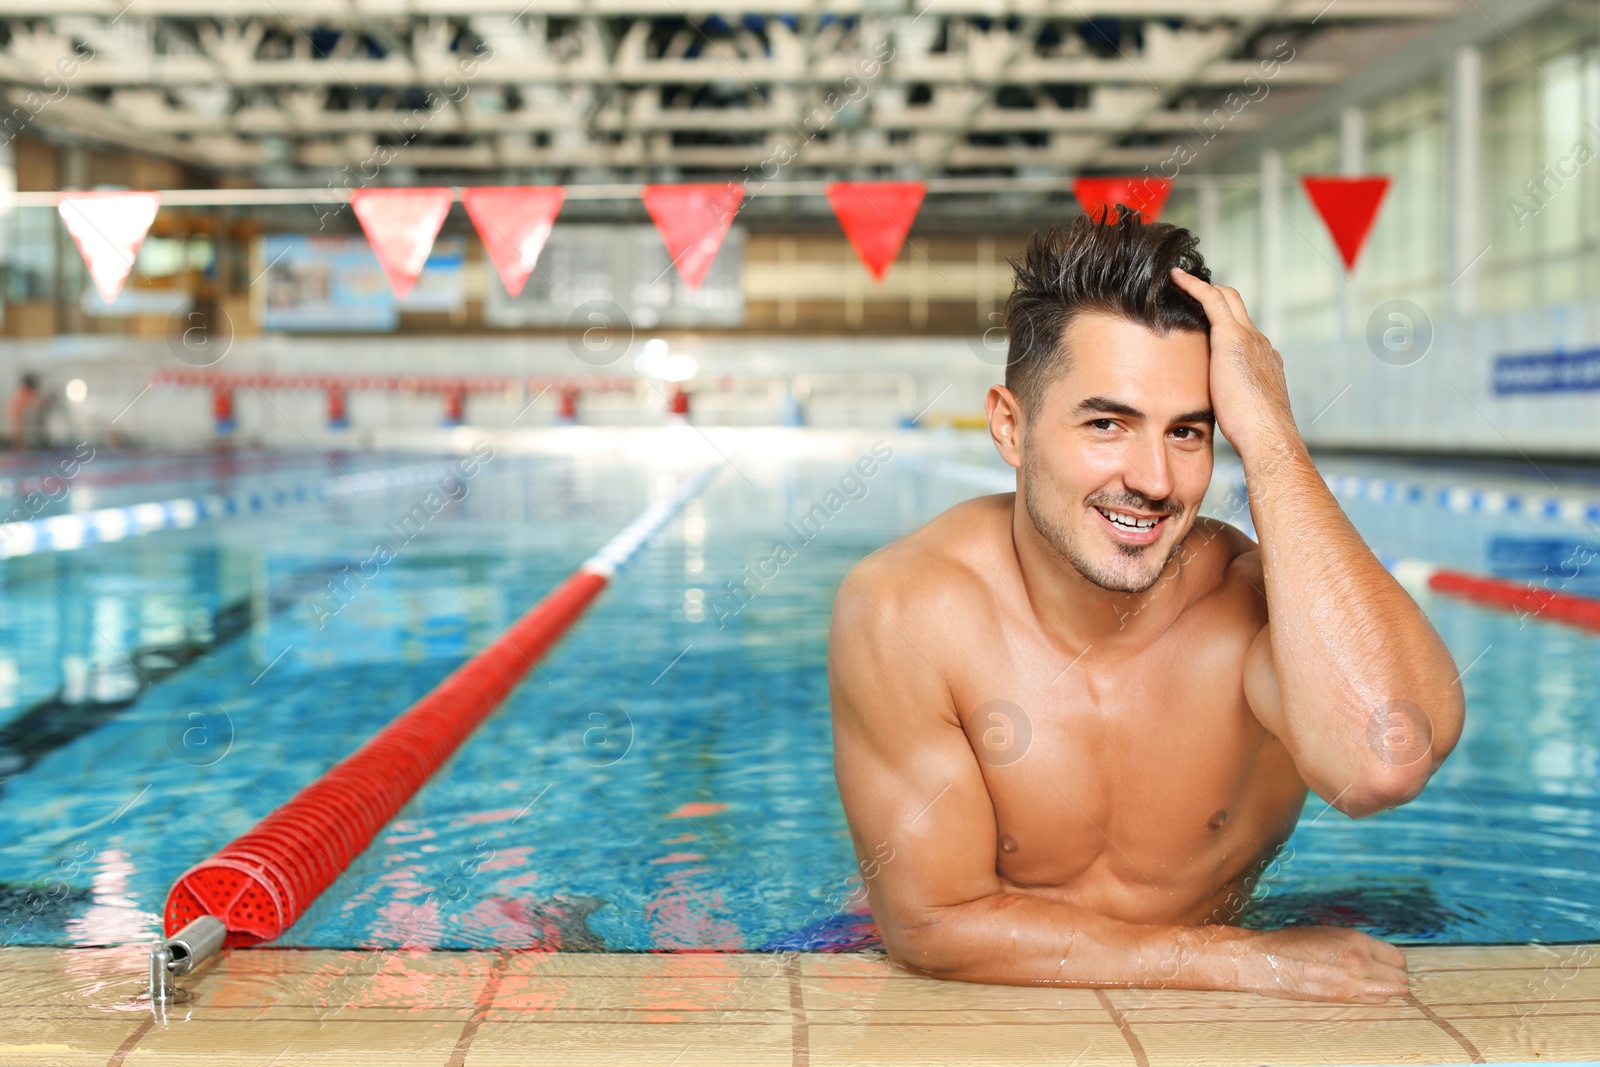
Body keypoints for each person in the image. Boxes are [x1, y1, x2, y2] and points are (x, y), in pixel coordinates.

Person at [828, 211, 1464, 1004]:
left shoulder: (1255, 605)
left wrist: (1270, 435)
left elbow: (1383, 760)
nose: (1155, 479)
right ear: (1010, 426)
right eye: (1107, 424)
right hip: (979, 991)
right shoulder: (910, 608)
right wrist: (1235, 960)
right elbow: (932, 925)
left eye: (1190, 432)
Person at [7, 373, 40, 450]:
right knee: (18, 430)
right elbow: (35, 404)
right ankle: (19, 447)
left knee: (19, 430)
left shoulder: (26, 391)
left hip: (18, 411)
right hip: (16, 412)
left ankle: (20, 447)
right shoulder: (25, 391)